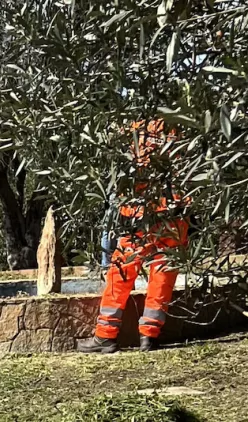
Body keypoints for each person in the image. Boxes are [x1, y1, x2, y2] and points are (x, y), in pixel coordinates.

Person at [78, 119, 190, 353]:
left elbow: (120, 169)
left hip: (140, 215)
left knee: (121, 271)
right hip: (173, 214)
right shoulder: (181, 125)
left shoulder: (133, 126)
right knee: (163, 273)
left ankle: (106, 336)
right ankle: (149, 335)